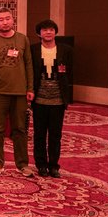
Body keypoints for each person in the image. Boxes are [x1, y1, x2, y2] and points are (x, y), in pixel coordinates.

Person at [0, 7, 34, 176]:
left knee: (20, 129)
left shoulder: (22, 39)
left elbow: (28, 64)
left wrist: (30, 88)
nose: (5, 22)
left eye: (7, 18)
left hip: (19, 92)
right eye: (0, 19)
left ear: (13, 20)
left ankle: (22, 164)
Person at [31, 19, 73, 178]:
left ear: (55, 32)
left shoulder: (66, 50)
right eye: (44, 30)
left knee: (55, 134)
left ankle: (54, 166)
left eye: (51, 30)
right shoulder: (33, 49)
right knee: (39, 134)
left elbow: (70, 72)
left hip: (58, 99)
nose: (48, 32)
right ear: (39, 33)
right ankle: (41, 165)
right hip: (39, 99)